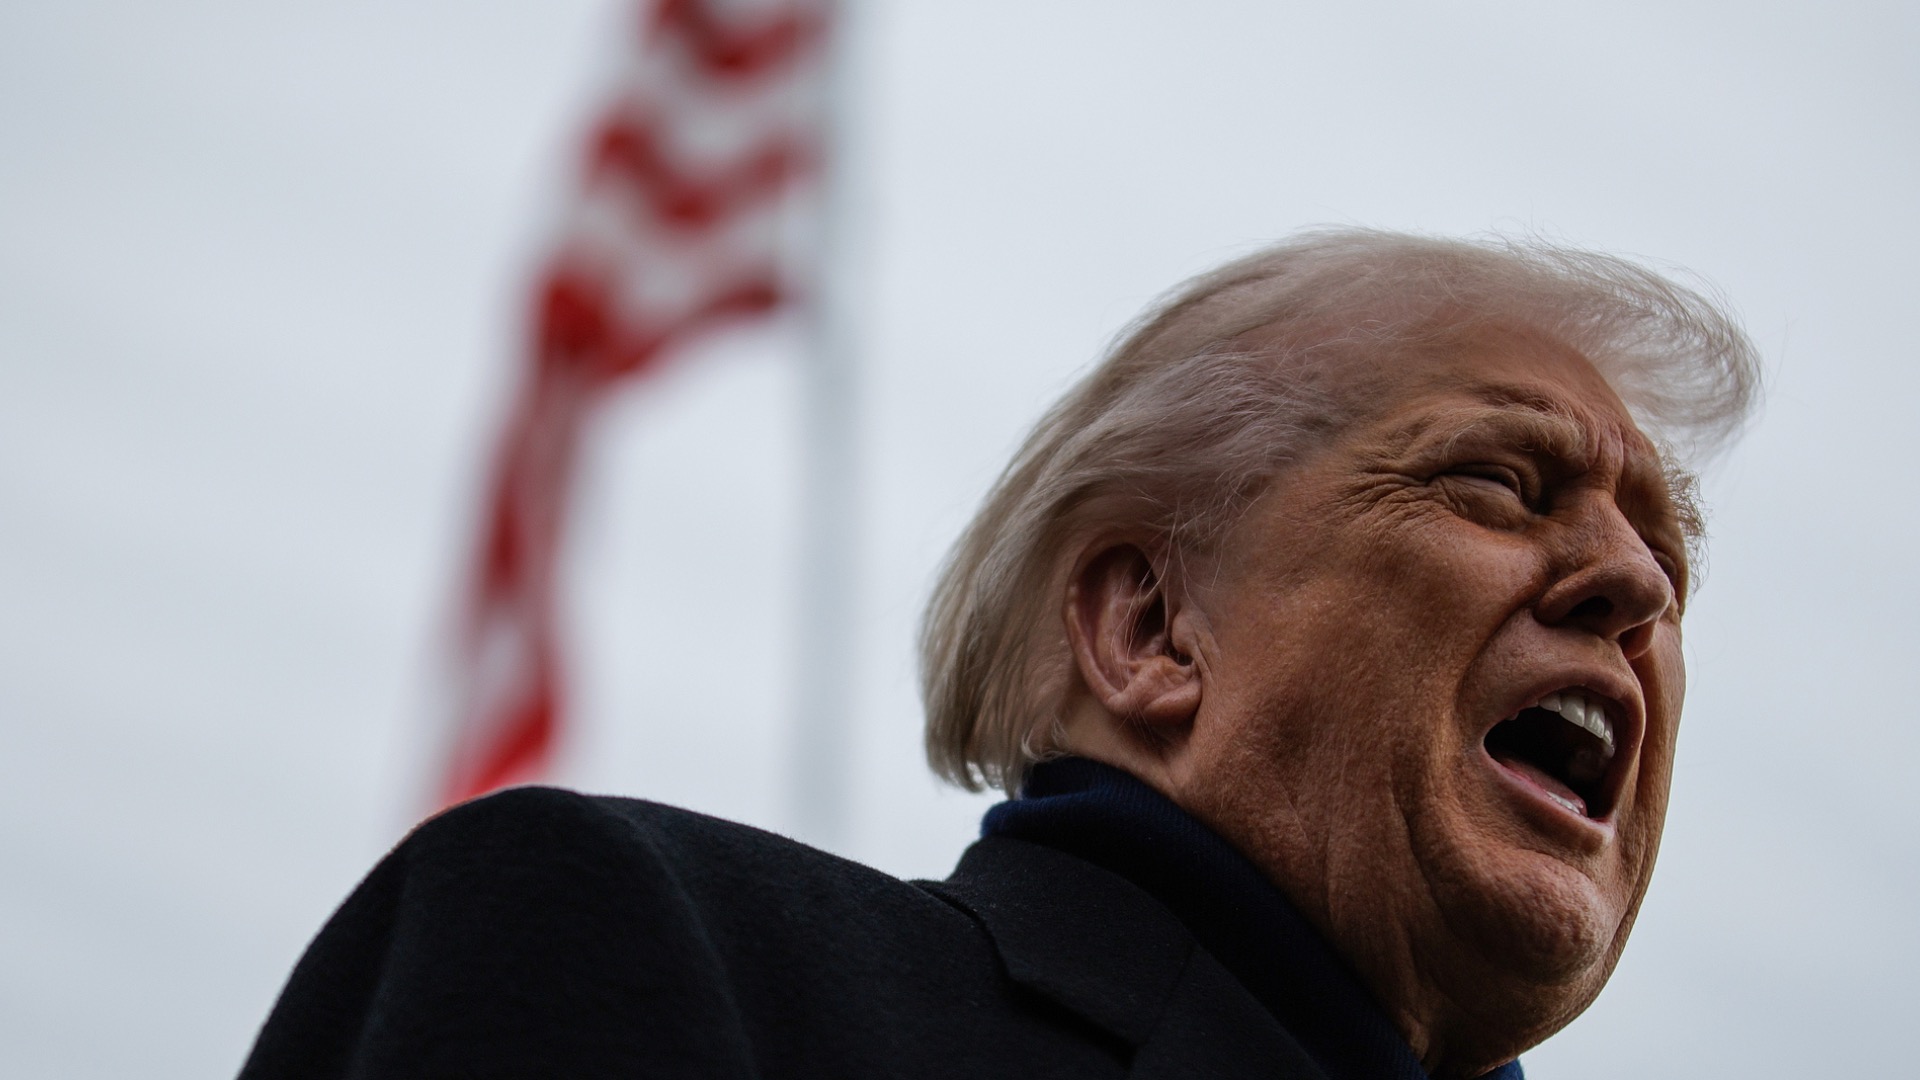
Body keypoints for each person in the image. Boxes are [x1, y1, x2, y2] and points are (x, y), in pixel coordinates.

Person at [238, 229, 1759, 1080]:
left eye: (1668, 565)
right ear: (1151, 630)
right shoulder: (646, 955)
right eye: (1500, 483)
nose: (1633, 583)